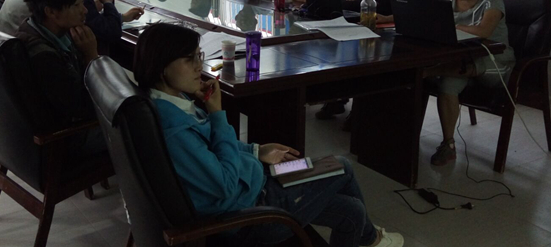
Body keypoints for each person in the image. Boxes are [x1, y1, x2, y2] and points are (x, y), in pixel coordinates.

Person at [134, 24, 404, 247]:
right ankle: (371, 239)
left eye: (198, 56)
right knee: (342, 168)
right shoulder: (175, 131)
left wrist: (256, 150)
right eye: (189, 59)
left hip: (257, 183)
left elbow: (214, 149)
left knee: (350, 205)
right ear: (162, 67)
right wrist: (216, 113)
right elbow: (225, 184)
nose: (198, 66)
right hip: (251, 213)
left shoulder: (171, 103)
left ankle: (370, 238)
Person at [427, 0, 515, 166]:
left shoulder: (492, 1)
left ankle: (429, 71)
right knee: (448, 84)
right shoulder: (447, 1)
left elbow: (484, 31)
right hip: (460, 60)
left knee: (450, 68)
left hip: (494, 62)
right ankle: (448, 145)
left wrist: (452, 26)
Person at [16, 0, 106, 156]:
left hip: (43, 132)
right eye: (77, 5)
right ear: (51, 12)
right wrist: (91, 56)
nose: (85, 11)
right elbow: (84, 108)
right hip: (63, 141)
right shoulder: (43, 56)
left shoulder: (32, 28)